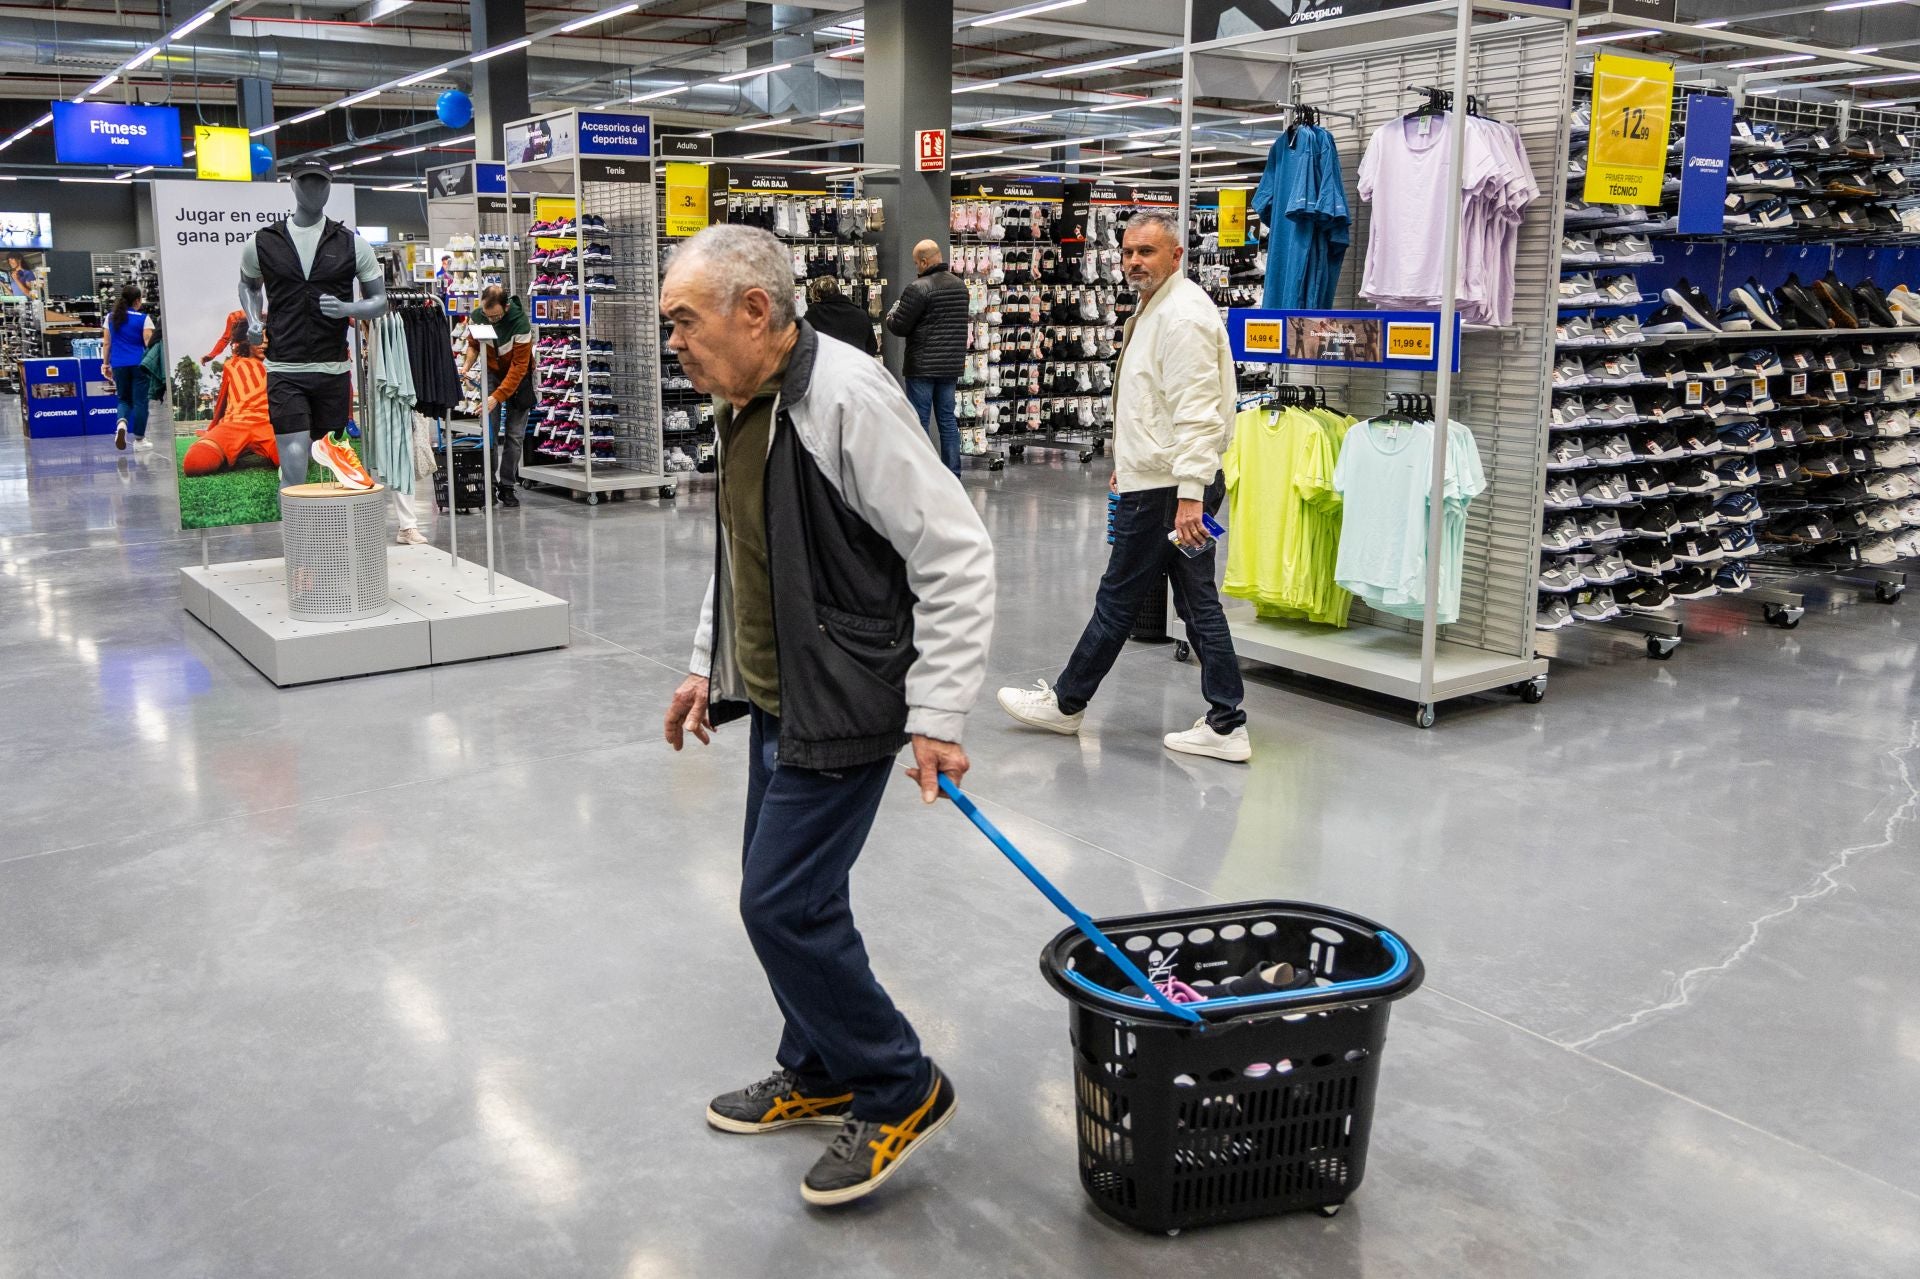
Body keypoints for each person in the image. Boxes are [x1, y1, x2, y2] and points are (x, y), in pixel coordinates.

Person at [659, 224, 993, 1207]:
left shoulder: (843, 397)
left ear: (754, 313)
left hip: (843, 697)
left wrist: (937, 713)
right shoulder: (748, 403)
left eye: (685, 321)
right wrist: (702, 668)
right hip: (778, 695)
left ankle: (898, 1081)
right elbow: (748, 558)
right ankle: (817, 1067)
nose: (673, 341)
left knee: (779, 903)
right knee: (798, 899)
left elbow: (955, 553)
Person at [996, 208, 1251, 762]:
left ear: (1177, 255)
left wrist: (1186, 493)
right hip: (1159, 479)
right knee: (1195, 600)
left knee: (1120, 597)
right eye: (1129, 252)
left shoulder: (1180, 316)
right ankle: (1226, 722)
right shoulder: (1158, 308)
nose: (1134, 261)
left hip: (1168, 492)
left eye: (1147, 252)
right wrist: (1130, 460)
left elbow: (1199, 413)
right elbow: (1152, 403)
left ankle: (1067, 704)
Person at [884, 239, 968, 475]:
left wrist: (891, 314)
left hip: (921, 366)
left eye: (916, 263)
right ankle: (953, 475)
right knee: (947, 420)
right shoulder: (960, 287)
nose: (916, 267)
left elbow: (900, 326)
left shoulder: (918, 288)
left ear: (923, 261)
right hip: (950, 366)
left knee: (919, 422)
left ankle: (923, 475)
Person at [457, 284, 533, 508]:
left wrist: (495, 397)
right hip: (491, 374)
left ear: (506, 307)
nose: (491, 320)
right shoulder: (479, 316)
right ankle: (489, 485)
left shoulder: (520, 324)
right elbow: (473, 345)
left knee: (514, 435)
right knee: (488, 432)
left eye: (496, 316)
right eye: (488, 316)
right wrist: (467, 366)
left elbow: (519, 368)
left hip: (518, 379)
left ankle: (507, 485)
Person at [182, 316, 280, 477]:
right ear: (246, 340)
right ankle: (236, 449)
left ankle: (249, 449)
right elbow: (221, 402)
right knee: (195, 462)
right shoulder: (232, 365)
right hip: (234, 424)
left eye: (269, 336)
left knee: (291, 457)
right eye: (259, 337)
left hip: (267, 425)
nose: (265, 342)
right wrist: (212, 430)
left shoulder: (277, 364)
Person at [101, 282, 155, 452]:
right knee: (140, 402)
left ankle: (122, 425)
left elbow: (106, 343)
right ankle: (139, 440)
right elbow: (148, 344)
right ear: (137, 301)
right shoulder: (144, 319)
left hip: (118, 364)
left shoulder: (110, 318)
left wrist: (105, 364)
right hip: (140, 365)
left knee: (124, 399)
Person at [801, 276, 877, 356]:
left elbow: (803, 345)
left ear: (817, 295)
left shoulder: (813, 315)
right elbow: (872, 347)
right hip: (855, 365)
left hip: (827, 365)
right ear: (838, 291)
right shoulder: (861, 314)